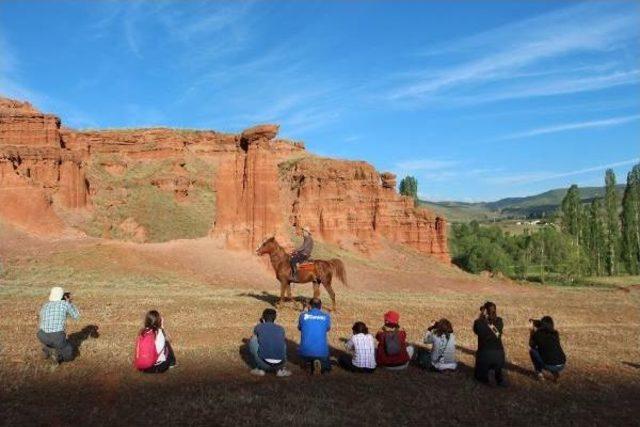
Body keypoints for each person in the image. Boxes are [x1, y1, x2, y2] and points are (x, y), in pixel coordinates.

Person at [36, 287, 80, 364]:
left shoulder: (45, 305)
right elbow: (76, 316)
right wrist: (69, 303)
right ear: (62, 296)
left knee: (52, 342)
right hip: (57, 336)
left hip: (41, 334)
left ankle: (48, 350)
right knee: (69, 355)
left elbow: (41, 317)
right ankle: (57, 356)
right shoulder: (65, 304)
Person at [249, 308, 291, 377]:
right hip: (280, 363)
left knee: (253, 339)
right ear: (275, 318)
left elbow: (254, 338)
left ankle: (260, 369)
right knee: (281, 342)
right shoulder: (281, 328)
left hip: (263, 364)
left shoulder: (258, 327)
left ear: (263, 318)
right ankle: (280, 370)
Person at [473, 301, 506, 386]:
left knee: (478, 376)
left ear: (485, 311)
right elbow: (497, 332)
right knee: (496, 362)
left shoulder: (478, 322)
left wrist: (481, 316)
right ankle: (497, 375)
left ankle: (485, 375)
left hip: (484, 355)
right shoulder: (500, 321)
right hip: (500, 355)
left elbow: (476, 331)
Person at [298, 298, 331, 374]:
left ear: (309, 306)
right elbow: (327, 329)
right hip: (322, 353)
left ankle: (308, 364)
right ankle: (319, 365)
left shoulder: (303, 315)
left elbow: (300, 328)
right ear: (320, 306)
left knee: (304, 360)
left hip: (305, 353)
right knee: (327, 367)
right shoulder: (326, 316)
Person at [529, 316, 566, 382]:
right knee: (551, 353)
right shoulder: (555, 333)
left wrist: (532, 332)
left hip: (550, 365)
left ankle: (539, 374)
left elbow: (531, 345)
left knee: (532, 351)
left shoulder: (538, 334)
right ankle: (555, 374)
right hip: (562, 364)